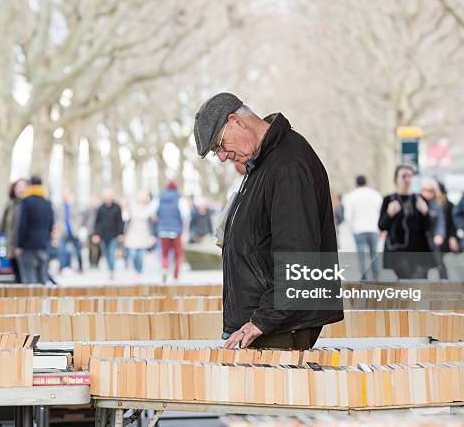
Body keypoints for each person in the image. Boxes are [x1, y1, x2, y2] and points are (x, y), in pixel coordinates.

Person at [194, 92, 343, 350]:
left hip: (279, 327)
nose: (221, 156)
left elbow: (299, 259)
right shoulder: (265, 162)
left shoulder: (287, 165)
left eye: (219, 145)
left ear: (236, 121)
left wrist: (261, 321)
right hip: (269, 323)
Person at [378, 165, 433, 279]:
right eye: (404, 176)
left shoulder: (420, 199)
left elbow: (428, 227)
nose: (407, 179)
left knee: (418, 287)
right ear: (396, 179)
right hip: (398, 253)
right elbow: (382, 226)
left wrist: (425, 212)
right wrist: (389, 214)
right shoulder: (389, 199)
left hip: (418, 253)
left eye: (410, 176)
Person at [343, 175, 383, 281]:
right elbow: (381, 212)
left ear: (356, 183)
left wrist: (351, 229)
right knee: (374, 254)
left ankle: (364, 277)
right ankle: (376, 275)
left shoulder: (351, 196)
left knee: (361, 256)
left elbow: (348, 216)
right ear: (366, 182)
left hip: (359, 230)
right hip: (373, 229)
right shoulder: (375, 195)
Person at [16, 176, 54, 284]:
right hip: (43, 245)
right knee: (42, 278)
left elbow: (22, 225)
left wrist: (19, 244)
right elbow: (51, 224)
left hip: (28, 245)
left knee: (29, 279)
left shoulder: (26, 201)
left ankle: (32, 301)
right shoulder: (47, 203)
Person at [151, 181, 189, 283]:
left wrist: (159, 221)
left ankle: (164, 267)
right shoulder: (180, 198)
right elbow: (185, 214)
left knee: (164, 253)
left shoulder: (159, 198)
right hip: (176, 230)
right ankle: (176, 275)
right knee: (178, 254)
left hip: (163, 229)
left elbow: (152, 212)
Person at [0, 179, 28, 282]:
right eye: (18, 186)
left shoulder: (27, 204)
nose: (20, 189)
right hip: (11, 245)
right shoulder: (10, 204)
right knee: (16, 274)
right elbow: (2, 224)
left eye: (23, 186)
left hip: (24, 246)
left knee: (25, 276)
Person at [93, 188, 124, 279]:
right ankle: (110, 267)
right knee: (105, 253)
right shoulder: (100, 208)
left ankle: (111, 270)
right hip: (103, 235)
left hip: (113, 235)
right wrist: (96, 234)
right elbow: (97, 223)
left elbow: (120, 221)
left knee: (111, 252)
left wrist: (120, 233)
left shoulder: (117, 207)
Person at [420, 178, 447, 280]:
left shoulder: (436, 205)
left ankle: (445, 284)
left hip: (432, 240)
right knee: (421, 267)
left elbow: (440, 222)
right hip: (420, 241)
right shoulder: (417, 203)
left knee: (439, 263)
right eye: (424, 190)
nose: (426, 193)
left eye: (430, 190)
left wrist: (439, 234)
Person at [124, 191, 155, 276]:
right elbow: (126, 220)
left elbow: (151, 223)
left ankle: (139, 270)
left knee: (140, 255)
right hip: (132, 232)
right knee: (133, 253)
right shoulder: (132, 207)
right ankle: (135, 269)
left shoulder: (149, 209)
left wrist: (152, 235)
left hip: (144, 233)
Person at [56, 188, 83, 273]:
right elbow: (58, 218)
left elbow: (78, 217)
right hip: (64, 230)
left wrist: (77, 228)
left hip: (73, 230)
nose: (65, 196)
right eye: (64, 195)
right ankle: (61, 267)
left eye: (66, 195)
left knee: (78, 250)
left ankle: (80, 267)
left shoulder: (74, 205)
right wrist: (60, 228)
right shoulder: (60, 206)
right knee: (61, 250)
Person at [437, 182, 460, 278]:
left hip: (446, 237)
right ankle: (443, 280)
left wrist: (452, 237)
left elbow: (453, 224)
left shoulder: (449, 205)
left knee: (439, 260)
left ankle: (444, 280)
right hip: (437, 237)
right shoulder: (433, 204)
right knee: (438, 260)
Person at [81, 198, 101, 268]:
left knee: (97, 248)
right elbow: (84, 220)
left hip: (97, 231)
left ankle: (96, 262)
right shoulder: (87, 210)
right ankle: (92, 262)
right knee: (91, 248)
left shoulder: (98, 210)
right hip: (90, 231)